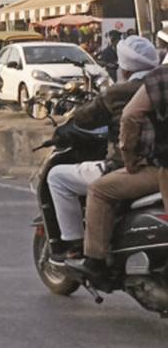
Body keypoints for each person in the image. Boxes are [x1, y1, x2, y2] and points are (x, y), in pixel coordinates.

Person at [45, 35, 158, 261]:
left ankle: (85, 252)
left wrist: (128, 158)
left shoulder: (121, 93)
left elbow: (118, 123)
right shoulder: (160, 83)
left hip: (147, 168)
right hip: (158, 166)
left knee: (64, 179)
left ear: (124, 69)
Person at [69, 43, 168, 283]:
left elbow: (130, 116)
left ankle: (96, 262)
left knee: (99, 189)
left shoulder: (160, 79)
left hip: (160, 168)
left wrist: (130, 159)